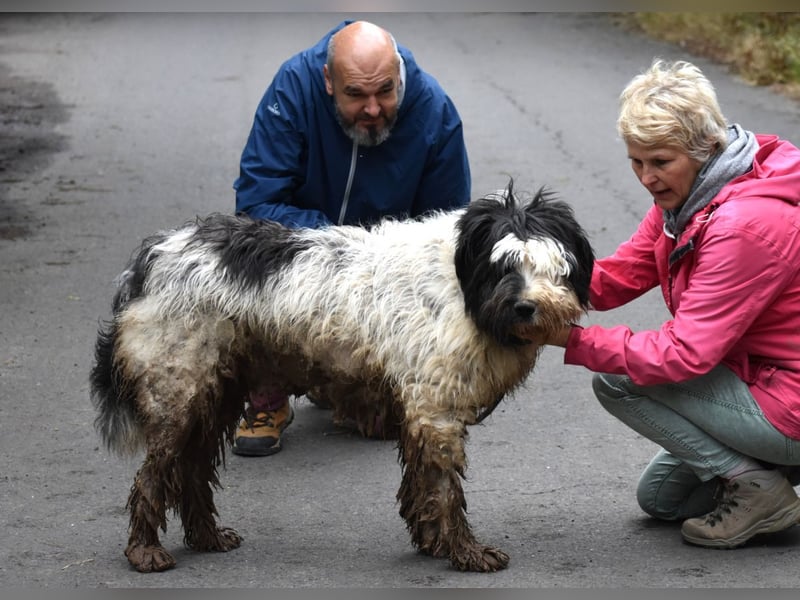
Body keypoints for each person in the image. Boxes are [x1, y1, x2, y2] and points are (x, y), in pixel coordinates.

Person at [543, 59, 800, 548]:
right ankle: (767, 472)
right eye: (636, 162)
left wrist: (569, 337)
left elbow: (685, 354)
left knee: (618, 380)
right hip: (754, 380)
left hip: (788, 400)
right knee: (663, 500)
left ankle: (760, 485)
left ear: (705, 148)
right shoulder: (690, 199)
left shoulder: (744, 225)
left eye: (660, 162)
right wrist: (538, 291)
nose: (646, 177)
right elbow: (619, 275)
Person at [231, 20, 471, 457]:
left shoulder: (435, 110)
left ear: (398, 75)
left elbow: (448, 228)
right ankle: (266, 395)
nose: (374, 109)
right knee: (249, 252)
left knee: (379, 425)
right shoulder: (292, 89)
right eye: (356, 95)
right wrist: (341, 245)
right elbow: (255, 202)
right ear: (328, 82)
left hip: (381, 280)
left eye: (385, 91)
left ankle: (352, 382)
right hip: (299, 258)